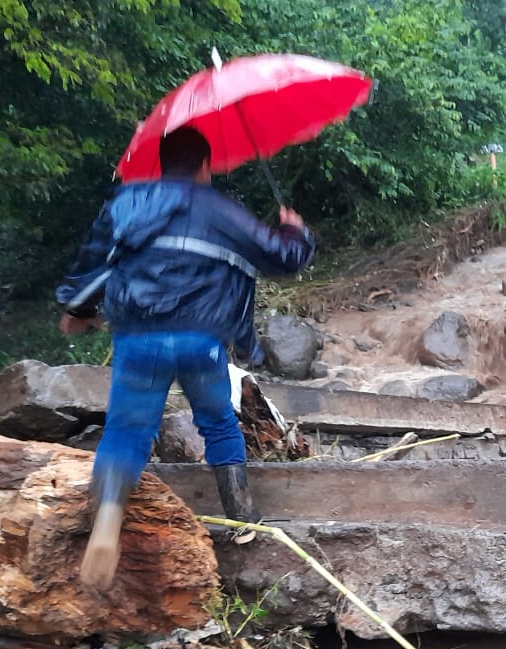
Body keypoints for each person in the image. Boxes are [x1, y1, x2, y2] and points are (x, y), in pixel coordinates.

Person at [56, 126, 315, 588]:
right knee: (217, 421)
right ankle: (241, 517)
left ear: (160, 164)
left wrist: (78, 310)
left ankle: (109, 519)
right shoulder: (220, 209)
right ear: (204, 166)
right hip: (202, 340)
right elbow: (282, 258)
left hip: (140, 341)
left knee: (127, 430)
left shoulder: (127, 202)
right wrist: (295, 231)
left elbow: (94, 263)